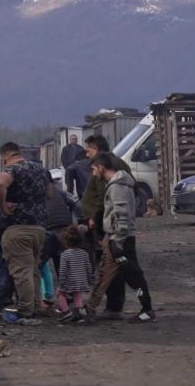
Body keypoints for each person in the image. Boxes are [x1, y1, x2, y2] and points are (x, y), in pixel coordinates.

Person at [85, 154, 157, 323]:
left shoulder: (118, 187)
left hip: (120, 239)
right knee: (108, 274)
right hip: (117, 237)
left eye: (94, 170)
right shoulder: (118, 185)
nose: (94, 174)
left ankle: (147, 310)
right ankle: (89, 309)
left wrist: (118, 241)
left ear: (101, 167)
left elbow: (122, 214)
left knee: (129, 275)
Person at [0, 142, 50, 325]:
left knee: (22, 271)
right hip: (39, 227)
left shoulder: (13, 169)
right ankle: (33, 305)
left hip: (18, 227)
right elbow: (50, 193)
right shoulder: (39, 169)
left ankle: (25, 312)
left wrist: (4, 205)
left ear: (4, 157)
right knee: (33, 269)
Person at [82, 134, 133, 315]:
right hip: (111, 222)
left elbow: (103, 197)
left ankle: (112, 306)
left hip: (106, 224)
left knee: (109, 265)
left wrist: (95, 217)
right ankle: (112, 304)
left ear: (95, 149)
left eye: (88, 150)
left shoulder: (103, 167)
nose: (87, 154)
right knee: (115, 264)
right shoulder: (121, 163)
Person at [40, 171, 84, 307]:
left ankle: (40, 299)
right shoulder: (60, 192)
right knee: (64, 266)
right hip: (64, 232)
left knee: (37, 265)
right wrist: (81, 221)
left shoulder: (35, 193)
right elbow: (76, 202)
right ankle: (69, 297)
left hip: (47, 232)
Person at [56, 225, 94, 323]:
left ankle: (65, 311)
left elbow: (63, 270)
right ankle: (81, 315)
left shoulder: (65, 254)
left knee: (60, 293)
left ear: (65, 242)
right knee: (77, 296)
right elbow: (88, 267)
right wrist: (89, 279)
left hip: (69, 280)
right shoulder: (84, 253)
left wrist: (61, 281)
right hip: (81, 280)